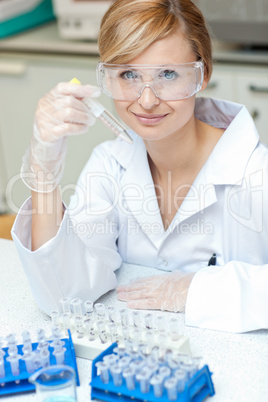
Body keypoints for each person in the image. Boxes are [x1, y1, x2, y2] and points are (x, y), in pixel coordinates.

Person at [12, 0, 268, 333]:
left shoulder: (255, 173)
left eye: (168, 74)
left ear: (202, 75)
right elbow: (62, 296)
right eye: (129, 74)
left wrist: (195, 290)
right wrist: (43, 177)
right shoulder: (110, 164)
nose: (146, 100)